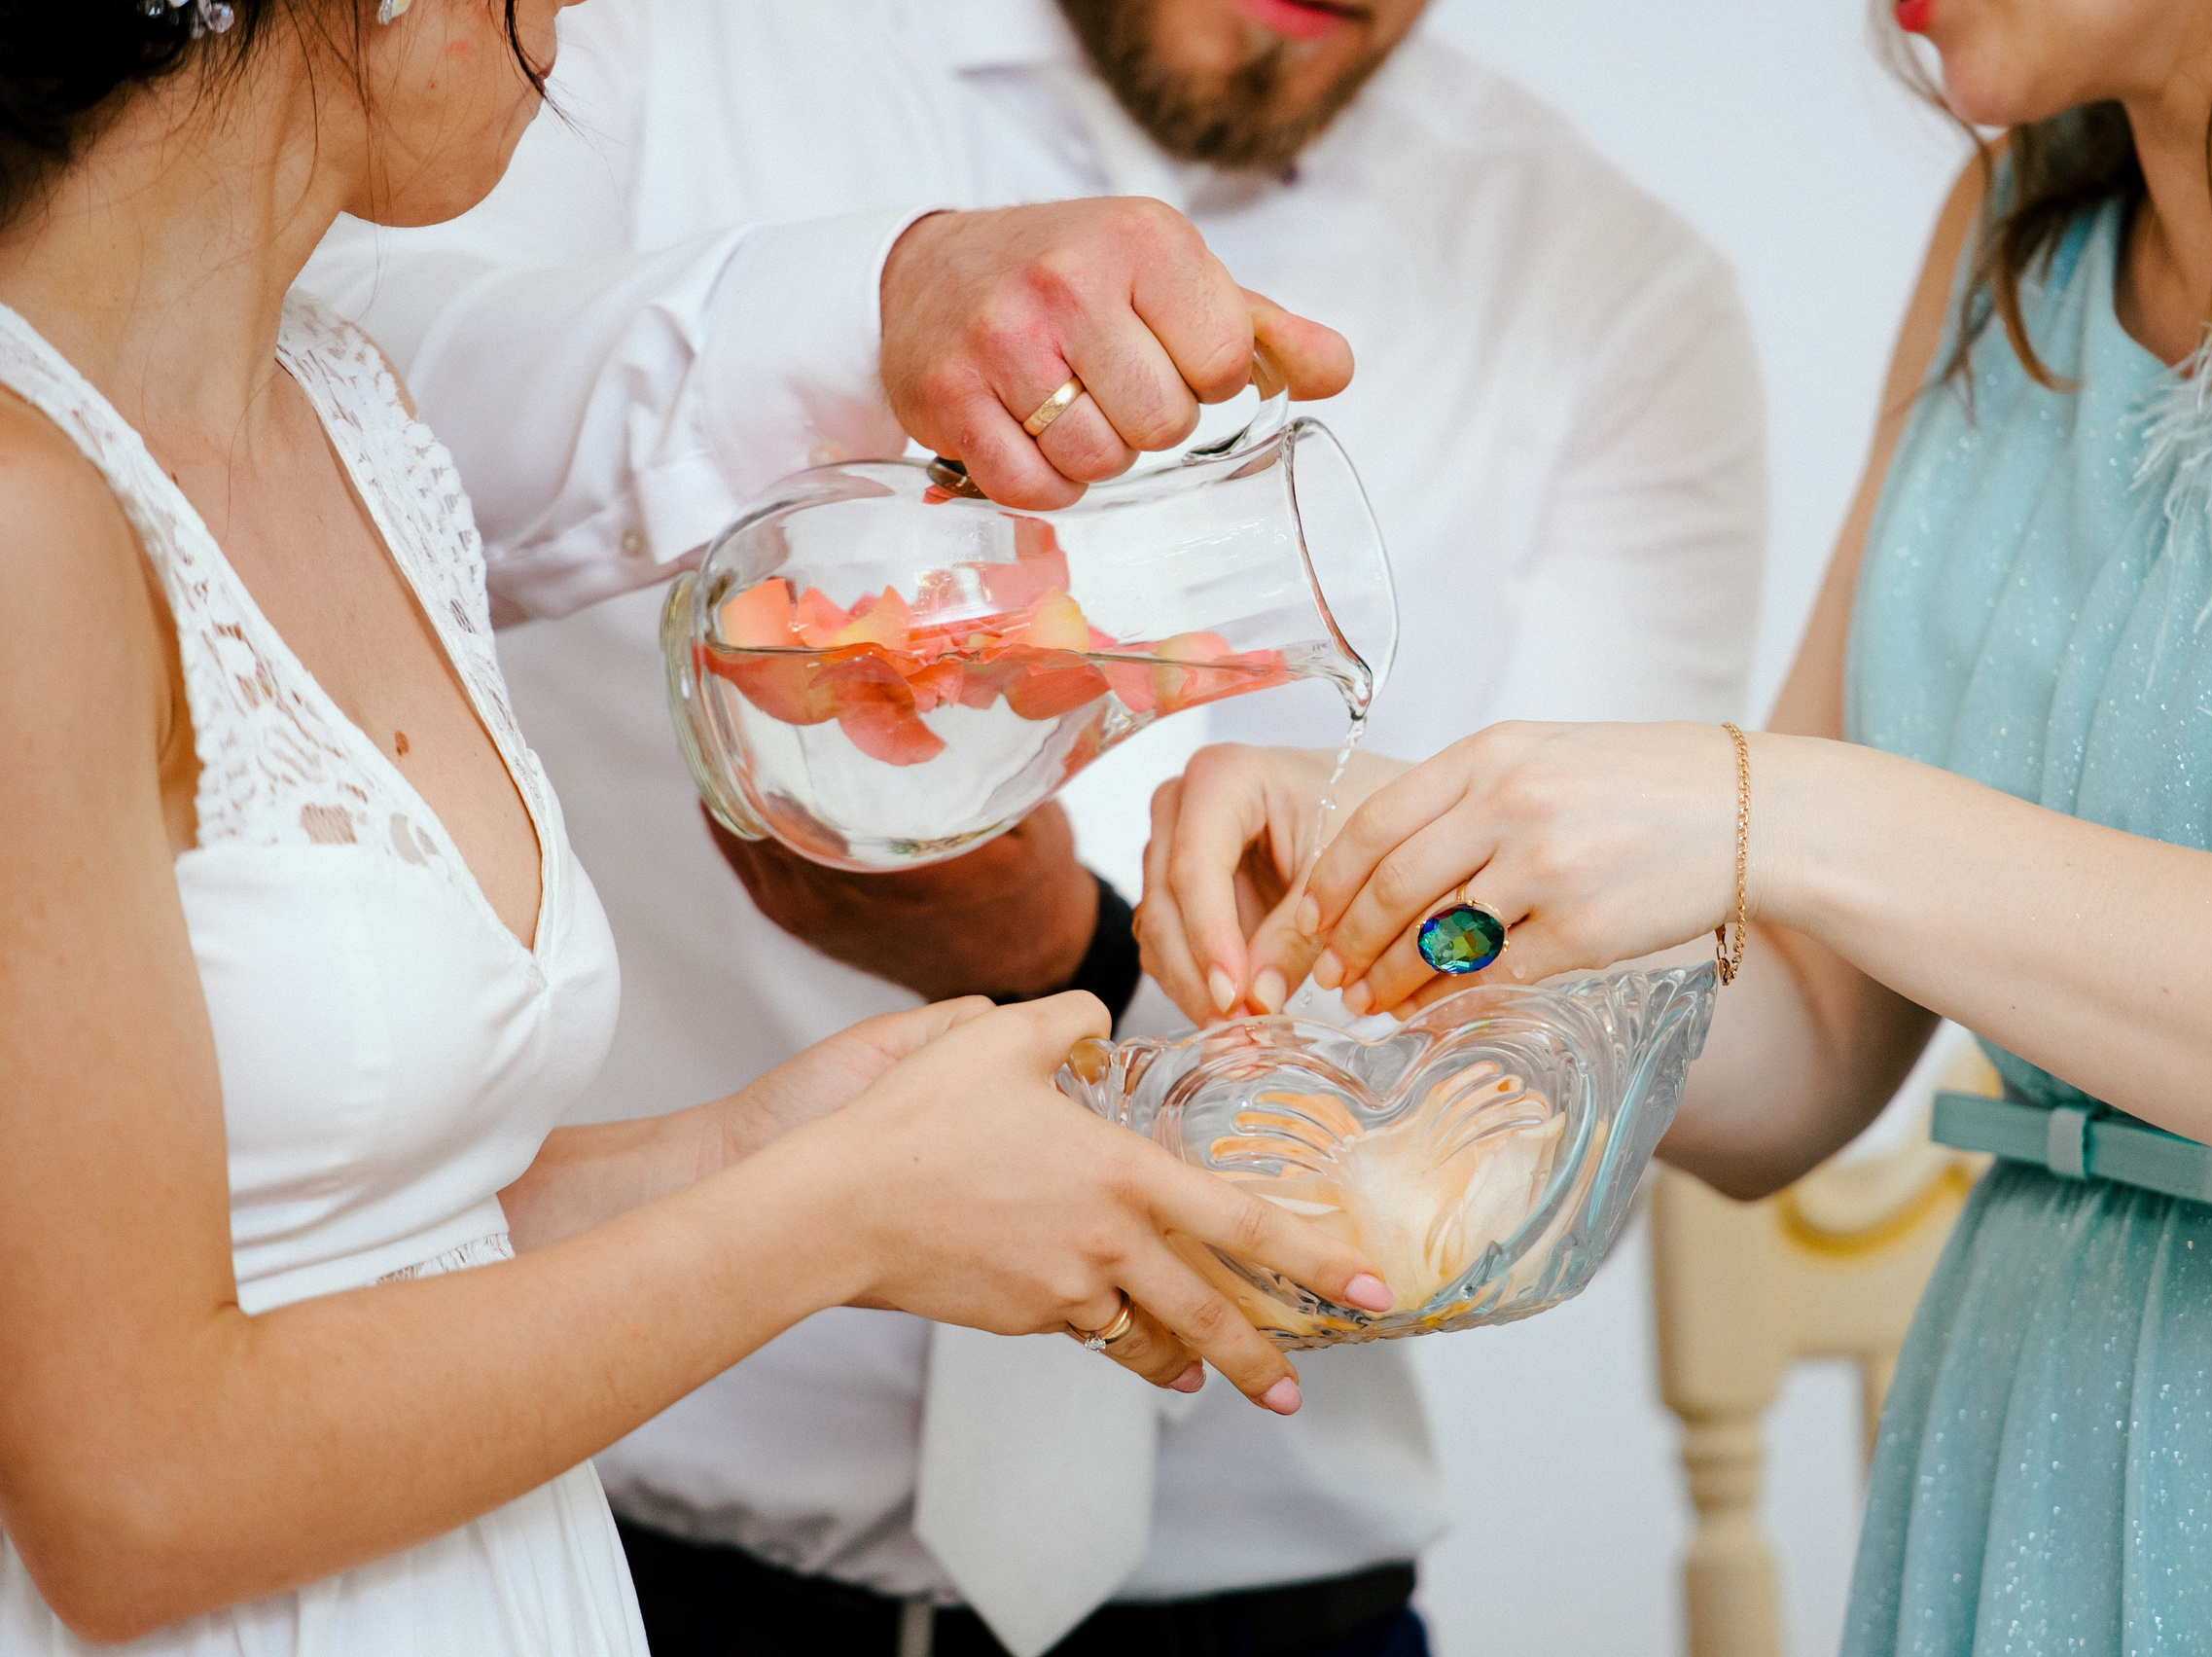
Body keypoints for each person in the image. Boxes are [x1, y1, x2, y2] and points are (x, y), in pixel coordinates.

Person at [304, 0, 1766, 1650]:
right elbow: (285, 365)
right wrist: (868, 301)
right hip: (626, 1543)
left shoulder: (1612, 292)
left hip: (1261, 1580)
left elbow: (1596, 988)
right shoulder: (651, 52)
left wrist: (1073, 959)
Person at [0, 4, 1400, 1651]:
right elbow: (133, 1494)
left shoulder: (346, 413)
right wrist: (836, 1215)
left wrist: (762, 1152)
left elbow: (344, 1236)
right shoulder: (25, 520)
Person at [1140, 2, 2212, 1652]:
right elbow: (1803, 1053)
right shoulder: (2011, 237)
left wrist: (1775, 808)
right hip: (2039, 1443)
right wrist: (1437, 872)